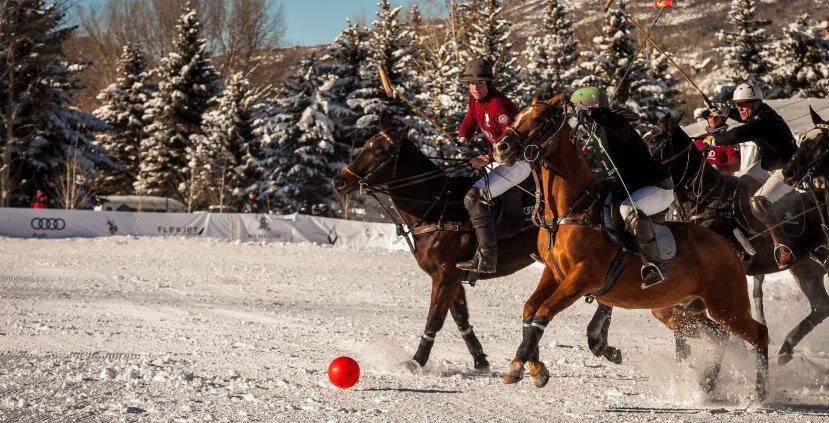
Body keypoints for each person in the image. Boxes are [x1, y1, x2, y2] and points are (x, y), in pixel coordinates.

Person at [570, 86, 675, 288]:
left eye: (579, 113)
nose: (579, 121)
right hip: (634, 187)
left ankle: (654, 265)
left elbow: (618, 123)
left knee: (628, 209)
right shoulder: (599, 132)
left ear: (587, 111)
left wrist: (601, 115)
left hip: (657, 187)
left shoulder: (614, 124)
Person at [710, 82, 797, 268]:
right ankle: (752, 230)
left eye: (744, 104)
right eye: (737, 104)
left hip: (788, 168)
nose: (740, 108)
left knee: (759, 201)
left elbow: (736, 135)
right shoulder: (759, 113)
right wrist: (726, 112)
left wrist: (713, 139)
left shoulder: (764, 119)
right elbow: (744, 119)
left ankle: (784, 247)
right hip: (768, 165)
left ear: (757, 103)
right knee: (740, 185)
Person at [454, 58, 526, 274]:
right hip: (499, 160)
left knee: (474, 197)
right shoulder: (475, 99)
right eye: (472, 84)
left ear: (489, 83)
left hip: (518, 163)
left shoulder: (500, 107)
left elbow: (515, 146)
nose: (475, 88)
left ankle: (487, 259)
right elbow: (470, 120)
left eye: (480, 84)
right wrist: (463, 138)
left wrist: (487, 159)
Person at [693, 104, 741, 175]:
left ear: (723, 119)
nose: (713, 118)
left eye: (716, 116)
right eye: (710, 116)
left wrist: (718, 169)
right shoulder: (699, 139)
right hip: (698, 181)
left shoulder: (729, 139)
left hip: (721, 181)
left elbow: (736, 164)